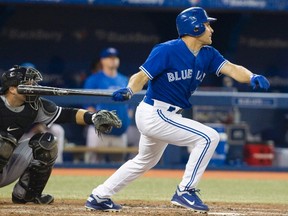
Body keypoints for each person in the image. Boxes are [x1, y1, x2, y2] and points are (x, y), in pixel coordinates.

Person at [85, 7, 270, 213]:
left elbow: (232, 69)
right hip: (154, 113)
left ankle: (99, 196)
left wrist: (252, 76)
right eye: (207, 24)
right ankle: (185, 190)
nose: (211, 29)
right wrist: (129, 89)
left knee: (145, 160)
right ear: (195, 26)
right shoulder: (167, 50)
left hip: (168, 115)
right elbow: (141, 77)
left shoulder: (207, 54)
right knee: (209, 137)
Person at [0, 65, 122, 204]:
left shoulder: (34, 106)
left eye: (33, 82)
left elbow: (67, 114)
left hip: (7, 164)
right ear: (12, 89)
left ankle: (27, 194)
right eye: (28, 83)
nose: (34, 86)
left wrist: (93, 117)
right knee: (4, 142)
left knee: (47, 142)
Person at [84, 47, 132, 163]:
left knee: (118, 167)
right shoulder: (93, 80)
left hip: (120, 131)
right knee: (93, 165)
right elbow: (87, 104)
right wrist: (99, 122)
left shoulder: (124, 80)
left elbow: (131, 106)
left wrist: (125, 121)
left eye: (115, 57)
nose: (113, 60)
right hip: (99, 131)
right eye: (109, 58)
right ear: (102, 60)